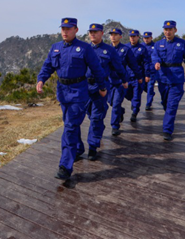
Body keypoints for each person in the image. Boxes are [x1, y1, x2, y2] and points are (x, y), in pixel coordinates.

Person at [37, 18, 107, 180]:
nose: (65, 32)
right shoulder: (56, 47)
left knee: (69, 127)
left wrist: (102, 87)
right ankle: (78, 149)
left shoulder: (85, 48)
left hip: (78, 92)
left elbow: (97, 68)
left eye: (68, 29)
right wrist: (41, 80)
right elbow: (48, 66)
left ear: (76, 30)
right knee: (70, 123)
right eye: (63, 28)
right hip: (63, 92)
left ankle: (65, 166)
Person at [84, 23, 128, 160]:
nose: (93, 34)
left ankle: (92, 146)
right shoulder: (84, 49)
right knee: (89, 114)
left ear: (102, 33)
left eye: (96, 32)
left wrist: (124, 80)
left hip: (101, 87)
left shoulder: (109, 50)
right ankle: (98, 130)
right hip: (85, 87)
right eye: (91, 32)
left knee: (96, 117)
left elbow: (118, 67)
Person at [151, 20, 185, 141]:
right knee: (165, 103)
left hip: (176, 78)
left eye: (170, 29)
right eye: (166, 29)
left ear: (175, 30)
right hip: (163, 77)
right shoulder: (158, 44)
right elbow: (154, 55)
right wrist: (156, 62)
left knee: (172, 105)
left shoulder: (182, 43)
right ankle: (168, 119)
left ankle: (167, 130)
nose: (168, 32)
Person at [107, 28, 140, 135]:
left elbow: (133, 64)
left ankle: (115, 126)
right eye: (112, 34)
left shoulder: (125, 50)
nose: (113, 36)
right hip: (108, 81)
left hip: (121, 81)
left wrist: (139, 76)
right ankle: (121, 112)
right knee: (111, 103)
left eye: (116, 34)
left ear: (120, 36)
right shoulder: (106, 49)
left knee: (116, 104)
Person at [124, 30, 152, 122]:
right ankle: (133, 103)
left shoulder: (142, 48)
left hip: (138, 76)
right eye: (131, 36)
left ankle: (135, 112)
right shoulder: (125, 47)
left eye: (134, 36)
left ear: (138, 37)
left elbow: (146, 62)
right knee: (127, 94)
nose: (132, 38)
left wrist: (147, 75)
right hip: (127, 75)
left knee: (137, 95)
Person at [142, 31, 157, 111]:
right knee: (143, 87)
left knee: (150, 86)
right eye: (145, 38)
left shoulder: (155, 46)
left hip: (152, 70)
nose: (146, 39)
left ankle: (148, 104)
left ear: (151, 38)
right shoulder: (141, 46)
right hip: (143, 70)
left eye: (148, 38)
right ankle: (151, 94)